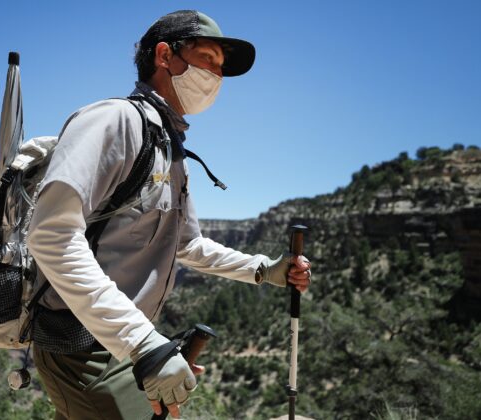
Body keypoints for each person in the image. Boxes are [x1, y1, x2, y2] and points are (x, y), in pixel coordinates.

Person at [27, 10, 312, 420]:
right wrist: (145, 344)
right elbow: (52, 235)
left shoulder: (169, 148)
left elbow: (187, 244)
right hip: (83, 345)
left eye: (220, 67)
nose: (217, 75)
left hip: (122, 342)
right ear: (165, 56)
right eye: (207, 59)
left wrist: (264, 269)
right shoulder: (113, 121)